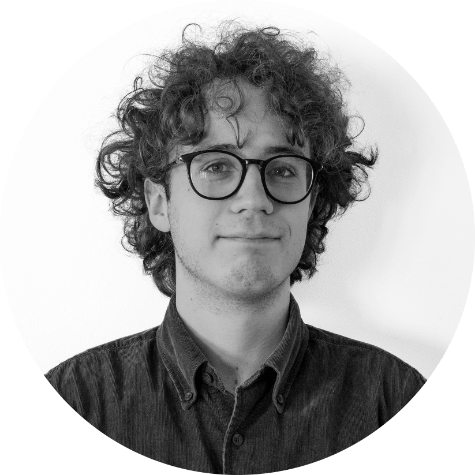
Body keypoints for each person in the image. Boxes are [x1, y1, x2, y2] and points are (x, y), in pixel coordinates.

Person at [45, 23, 426, 473]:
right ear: (159, 202)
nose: (254, 199)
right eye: (216, 166)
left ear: (311, 203)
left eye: (283, 169)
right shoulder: (78, 400)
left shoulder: (393, 399)